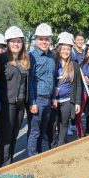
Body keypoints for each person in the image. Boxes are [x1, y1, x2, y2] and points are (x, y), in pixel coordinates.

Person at [0, 26, 30, 167]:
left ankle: (9, 163)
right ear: (8, 43)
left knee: (15, 134)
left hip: (21, 104)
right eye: (13, 41)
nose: (16, 44)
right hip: (7, 104)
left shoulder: (25, 60)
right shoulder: (1, 59)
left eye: (19, 41)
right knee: (5, 137)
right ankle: (3, 166)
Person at [28, 23, 56, 157]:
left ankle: (40, 155)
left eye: (46, 39)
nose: (44, 42)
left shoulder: (52, 56)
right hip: (37, 100)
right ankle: (31, 159)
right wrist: (32, 102)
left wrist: (54, 98)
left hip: (48, 99)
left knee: (43, 131)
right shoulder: (31, 56)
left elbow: (53, 78)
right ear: (36, 39)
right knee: (34, 132)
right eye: (41, 39)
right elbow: (30, 81)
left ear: (50, 39)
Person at [53, 35, 81, 146]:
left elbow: (78, 85)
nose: (66, 51)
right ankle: (52, 145)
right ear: (59, 49)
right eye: (63, 49)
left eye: (68, 49)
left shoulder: (74, 65)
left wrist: (77, 102)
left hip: (67, 100)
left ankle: (60, 145)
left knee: (64, 124)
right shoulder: (54, 63)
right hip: (54, 101)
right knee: (53, 124)